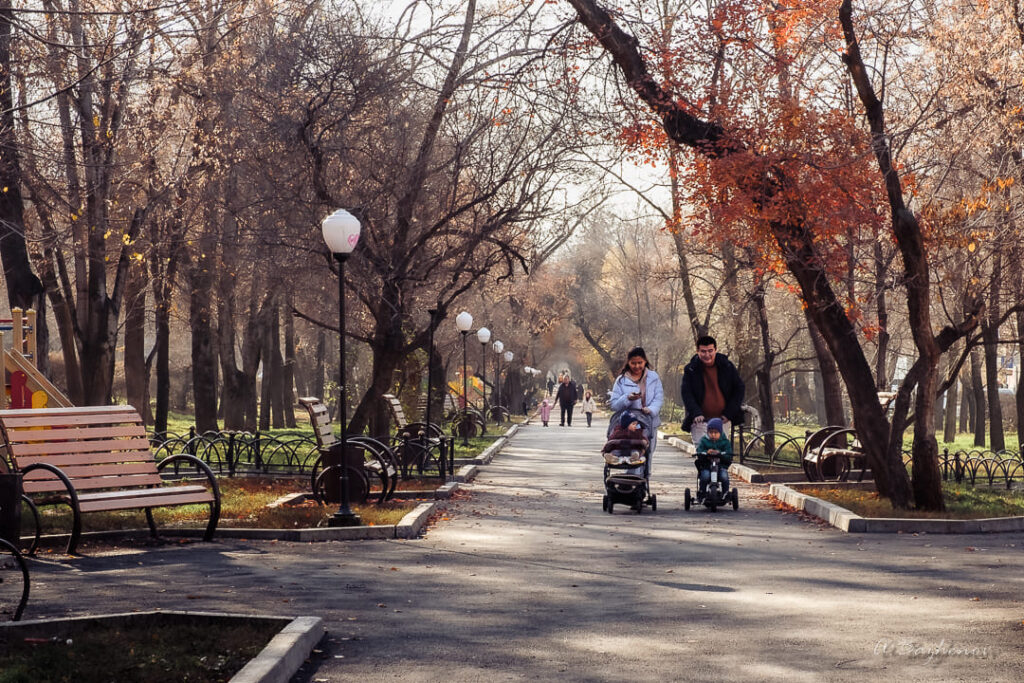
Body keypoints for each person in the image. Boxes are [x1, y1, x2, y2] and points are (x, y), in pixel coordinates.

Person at [680, 334, 745, 445]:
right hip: (700, 421)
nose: (707, 355)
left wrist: (728, 414)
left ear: (716, 350)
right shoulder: (691, 369)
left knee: (721, 455)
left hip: (722, 420)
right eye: (703, 351)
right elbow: (686, 393)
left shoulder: (727, 366)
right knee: (703, 454)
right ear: (697, 351)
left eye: (710, 351)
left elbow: (739, 389)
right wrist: (696, 413)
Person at [608, 346, 664, 463]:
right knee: (630, 450)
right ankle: (631, 477)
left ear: (645, 361)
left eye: (640, 363)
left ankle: (645, 478)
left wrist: (650, 409)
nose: (637, 366)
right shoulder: (621, 380)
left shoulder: (654, 378)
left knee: (647, 453)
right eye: (633, 363)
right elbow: (614, 404)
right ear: (628, 363)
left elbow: (658, 398)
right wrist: (627, 398)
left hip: (649, 422)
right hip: (628, 424)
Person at [694, 417, 732, 498]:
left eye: (716, 432)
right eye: (711, 432)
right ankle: (702, 493)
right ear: (707, 432)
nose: (713, 435)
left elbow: (729, 454)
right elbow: (699, 451)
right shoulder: (704, 441)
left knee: (724, 476)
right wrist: (705, 453)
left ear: (720, 432)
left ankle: (726, 493)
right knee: (705, 476)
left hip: (720, 466)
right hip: (707, 466)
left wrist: (721, 454)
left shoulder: (725, 442)